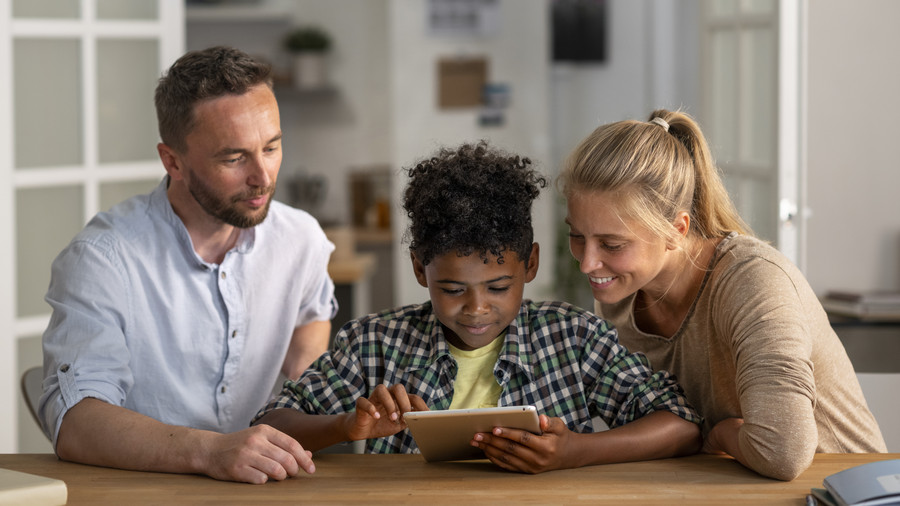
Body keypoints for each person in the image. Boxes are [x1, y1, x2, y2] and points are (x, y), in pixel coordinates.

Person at [252, 141, 702, 473]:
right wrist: (345, 426)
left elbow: (681, 425)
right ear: (418, 269)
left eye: (499, 286)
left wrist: (577, 451)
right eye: (451, 289)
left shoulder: (573, 339)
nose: (476, 308)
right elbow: (269, 424)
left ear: (530, 264)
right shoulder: (375, 343)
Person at [38, 46, 337, 484]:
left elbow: (312, 319)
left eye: (271, 147)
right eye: (234, 158)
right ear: (173, 161)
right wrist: (213, 451)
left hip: (267, 489)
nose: (263, 177)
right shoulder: (103, 259)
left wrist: (309, 395)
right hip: (143, 492)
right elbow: (75, 424)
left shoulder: (301, 239)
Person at [558, 109, 887, 481]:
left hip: (841, 492)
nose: (587, 264)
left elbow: (785, 453)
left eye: (612, 244)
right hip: (726, 489)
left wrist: (720, 434)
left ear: (675, 230)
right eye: (577, 236)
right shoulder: (618, 295)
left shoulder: (754, 280)